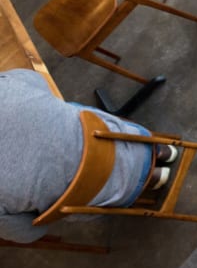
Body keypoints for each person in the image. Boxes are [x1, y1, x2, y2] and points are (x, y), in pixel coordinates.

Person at [0, 69, 177, 243]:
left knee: (48, 195)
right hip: (130, 135)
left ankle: (152, 178)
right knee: (64, 109)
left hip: (116, 196)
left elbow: (32, 232)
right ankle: (155, 149)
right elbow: (36, 79)